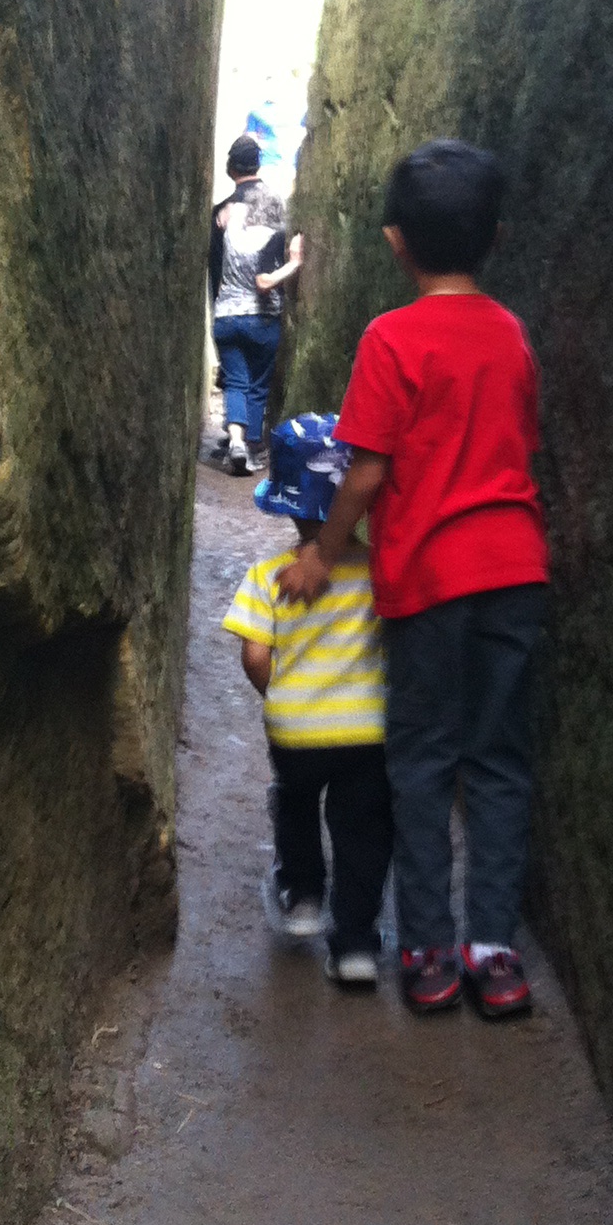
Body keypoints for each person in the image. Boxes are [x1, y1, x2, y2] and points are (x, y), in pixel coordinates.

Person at [277, 140, 548, 1020]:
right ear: (496, 237)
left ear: (395, 242)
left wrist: (324, 551)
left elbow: (366, 469)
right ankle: (495, 950)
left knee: (423, 759)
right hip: (514, 569)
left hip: (429, 576)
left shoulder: (391, 339)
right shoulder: (511, 334)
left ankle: (428, 949)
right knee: (498, 760)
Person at [221, 415, 393, 988]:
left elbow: (254, 656)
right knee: (363, 827)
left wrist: (281, 696)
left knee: (295, 803)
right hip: (367, 731)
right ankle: (356, 947)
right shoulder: (378, 572)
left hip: (296, 730)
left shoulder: (268, 575)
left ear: (288, 506)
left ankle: (303, 899)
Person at [208, 133, 302, 472]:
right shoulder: (275, 206)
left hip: (227, 314)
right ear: (258, 165)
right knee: (258, 385)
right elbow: (270, 268)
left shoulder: (222, 212)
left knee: (235, 381)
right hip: (263, 317)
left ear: (231, 168)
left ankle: (234, 440)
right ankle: (249, 446)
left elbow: (214, 268)